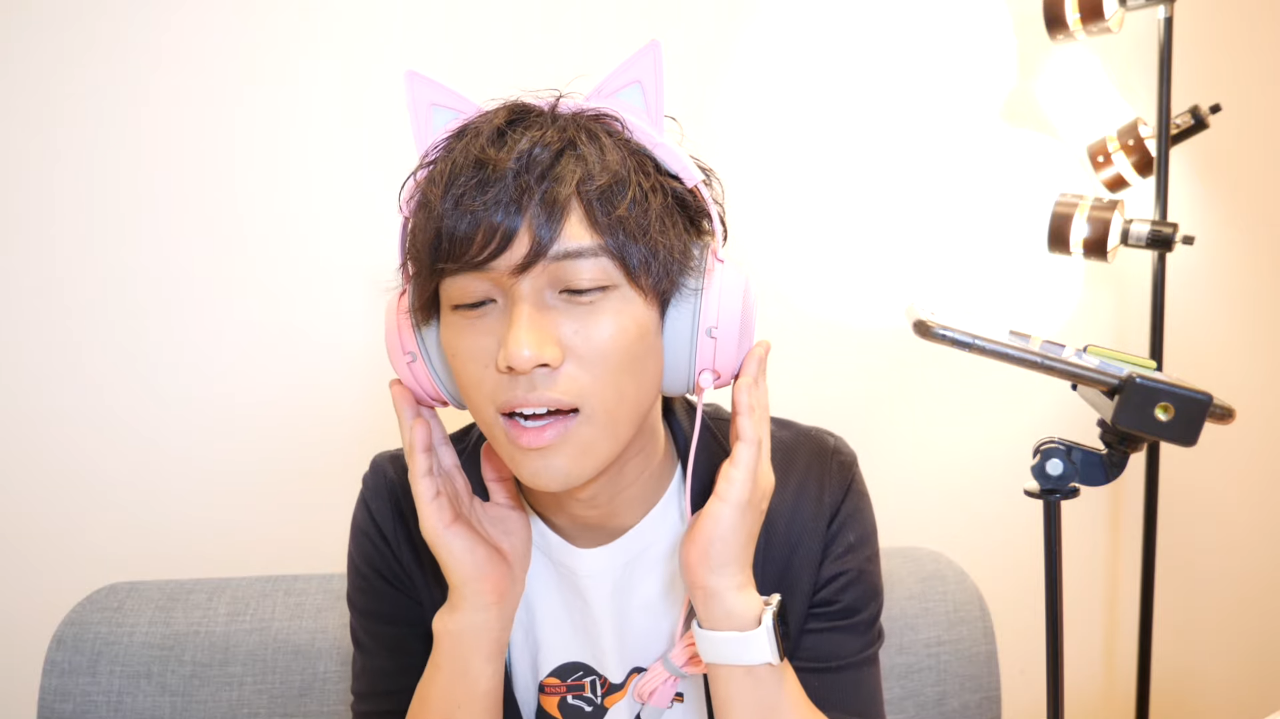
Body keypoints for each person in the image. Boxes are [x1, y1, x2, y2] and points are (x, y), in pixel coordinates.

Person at [347, 42, 885, 719]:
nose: (520, 352)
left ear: (685, 318)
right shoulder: (408, 507)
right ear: (426, 347)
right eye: (475, 302)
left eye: (578, 289)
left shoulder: (810, 491)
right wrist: (475, 614)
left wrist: (727, 599)